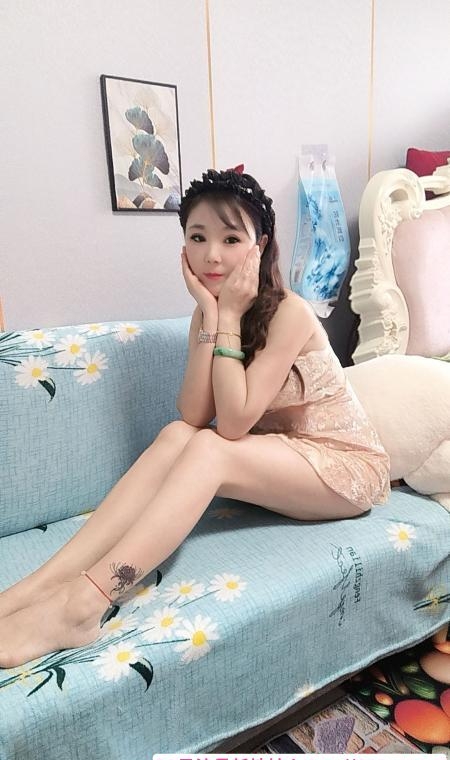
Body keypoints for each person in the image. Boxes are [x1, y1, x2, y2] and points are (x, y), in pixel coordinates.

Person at [0, 167, 390, 669]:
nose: (212, 255)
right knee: (177, 434)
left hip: (344, 468)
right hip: (284, 459)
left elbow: (232, 425)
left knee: (209, 446)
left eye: (231, 239)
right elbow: (194, 412)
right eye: (197, 237)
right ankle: (39, 587)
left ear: (260, 246)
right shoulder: (208, 311)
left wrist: (227, 317)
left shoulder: (290, 312)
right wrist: (211, 313)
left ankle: (85, 604)